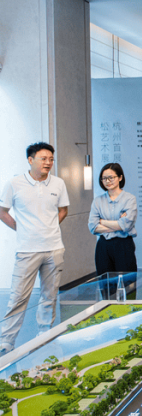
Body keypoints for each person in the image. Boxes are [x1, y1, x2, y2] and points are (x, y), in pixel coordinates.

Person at [0, 143, 69, 355]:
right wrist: (21, 229)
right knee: (18, 297)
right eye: (43, 158)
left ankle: (44, 336)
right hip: (27, 250)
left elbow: (63, 210)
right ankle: (6, 342)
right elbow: (2, 211)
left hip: (54, 248)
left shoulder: (58, 183)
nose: (48, 162)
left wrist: (49, 227)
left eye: (51, 159)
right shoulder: (14, 183)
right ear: (30, 160)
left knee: (50, 296)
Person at [88, 163, 138, 280]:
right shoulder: (98, 201)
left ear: (120, 177)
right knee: (105, 283)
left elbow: (126, 225)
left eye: (111, 177)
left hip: (123, 245)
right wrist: (118, 224)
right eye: (104, 178)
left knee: (127, 282)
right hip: (103, 246)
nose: (107, 181)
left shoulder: (129, 199)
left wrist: (102, 221)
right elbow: (93, 227)